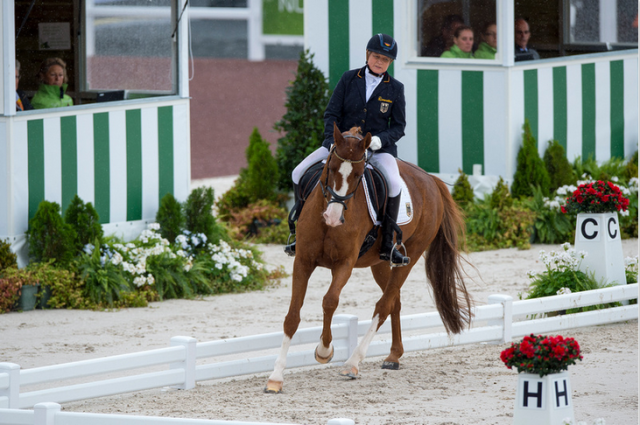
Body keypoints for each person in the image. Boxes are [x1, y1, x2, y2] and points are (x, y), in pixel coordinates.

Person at [285, 33, 409, 267]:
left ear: (390, 63)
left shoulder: (395, 89)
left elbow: (399, 127)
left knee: (393, 183)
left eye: (385, 59)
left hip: (377, 150)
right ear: (367, 55)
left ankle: (387, 245)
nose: (380, 62)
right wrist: (333, 141)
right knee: (298, 171)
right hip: (341, 148)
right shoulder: (349, 78)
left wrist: (379, 141)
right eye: (376, 56)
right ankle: (296, 231)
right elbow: (331, 113)